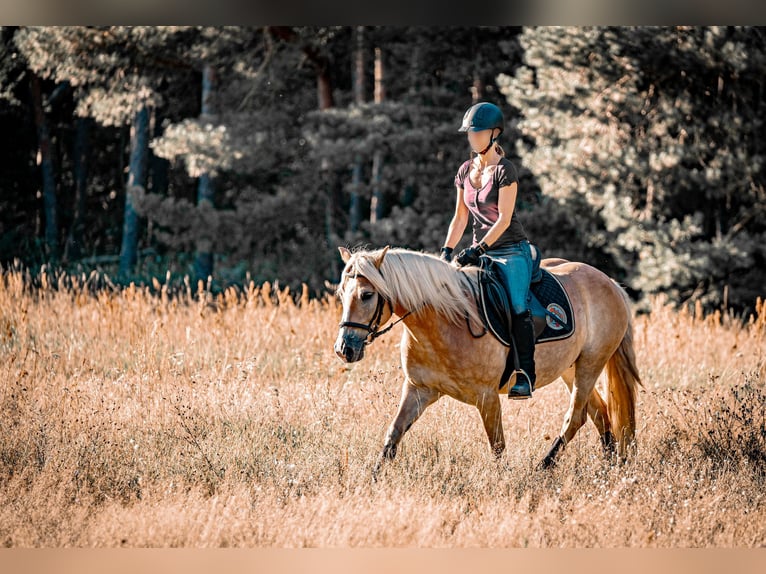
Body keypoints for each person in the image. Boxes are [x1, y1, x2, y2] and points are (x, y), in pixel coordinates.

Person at [439, 101, 536, 399]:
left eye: (478, 132)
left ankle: (525, 375)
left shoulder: (506, 171)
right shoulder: (465, 170)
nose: (472, 137)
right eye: (469, 133)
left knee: (519, 307)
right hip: (476, 252)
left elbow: (504, 220)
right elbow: (460, 217)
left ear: (494, 134)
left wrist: (479, 249)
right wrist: (447, 250)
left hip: (510, 251)